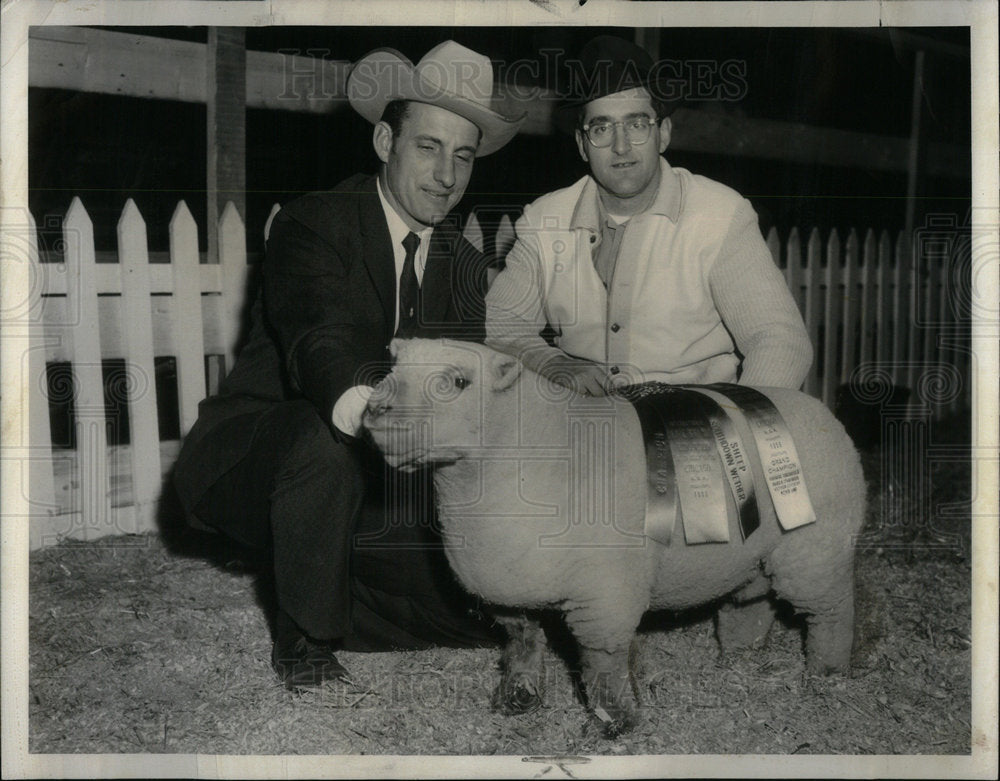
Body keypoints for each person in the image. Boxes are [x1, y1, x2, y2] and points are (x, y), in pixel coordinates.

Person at [172, 41, 525, 689]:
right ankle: (304, 643)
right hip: (263, 456)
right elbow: (320, 340)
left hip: (375, 482)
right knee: (323, 439)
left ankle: (337, 585)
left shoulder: (465, 269)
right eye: (428, 147)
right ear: (386, 141)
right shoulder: (315, 223)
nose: (446, 175)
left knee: (484, 616)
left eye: (464, 155)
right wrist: (389, 419)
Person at [485, 35, 812, 395]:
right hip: (590, 424)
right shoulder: (545, 221)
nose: (621, 146)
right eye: (602, 127)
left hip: (700, 425)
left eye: (637, 124)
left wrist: (740, 426)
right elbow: (501, 324)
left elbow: (780, 341)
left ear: (664, 133)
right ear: (582, 144)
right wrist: (551, 362)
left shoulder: (719, 214)